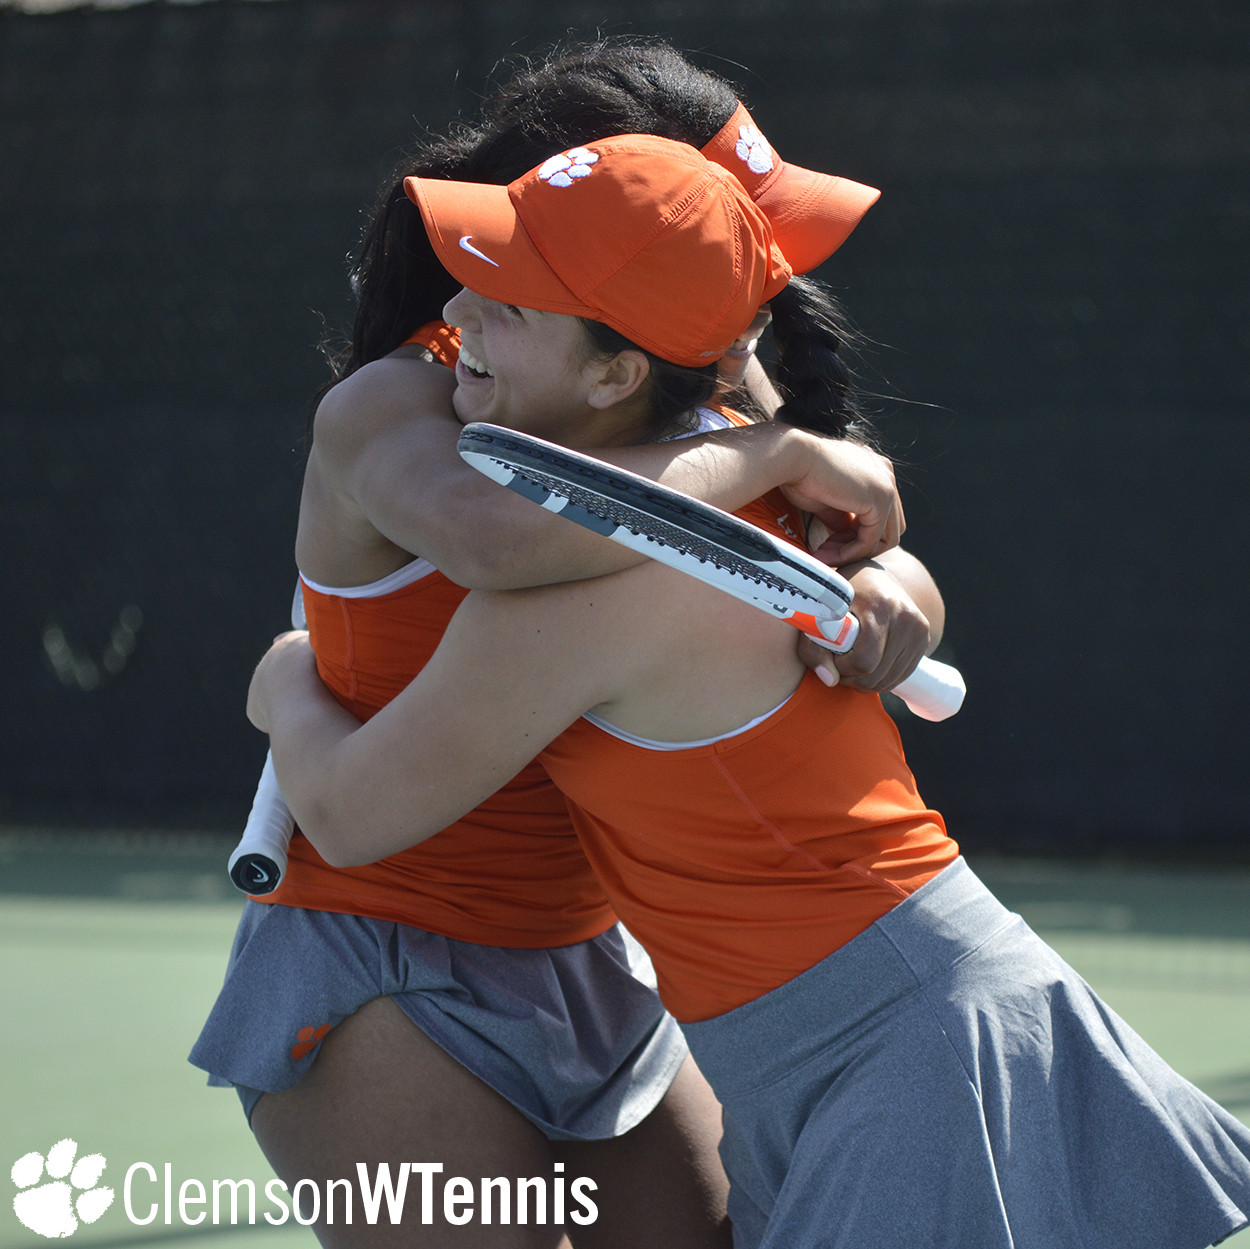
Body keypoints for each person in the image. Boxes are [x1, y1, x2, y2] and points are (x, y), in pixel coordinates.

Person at [247, 137, 1250, 1249]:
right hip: (875, 1026)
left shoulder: (565, 598)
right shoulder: (742, 459)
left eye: (511, 304)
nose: (457, 314)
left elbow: (348, 812)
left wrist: (286, 680)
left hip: (903, 1051)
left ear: (616, 376)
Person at [192, 40, 942, 1249]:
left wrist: (890, 587)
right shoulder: (404, 399)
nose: (762, 265)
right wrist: (775, 452)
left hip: (596, 960)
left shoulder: (706, 406)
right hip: (383, 955)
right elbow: (497, 535)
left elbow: (850, 548)